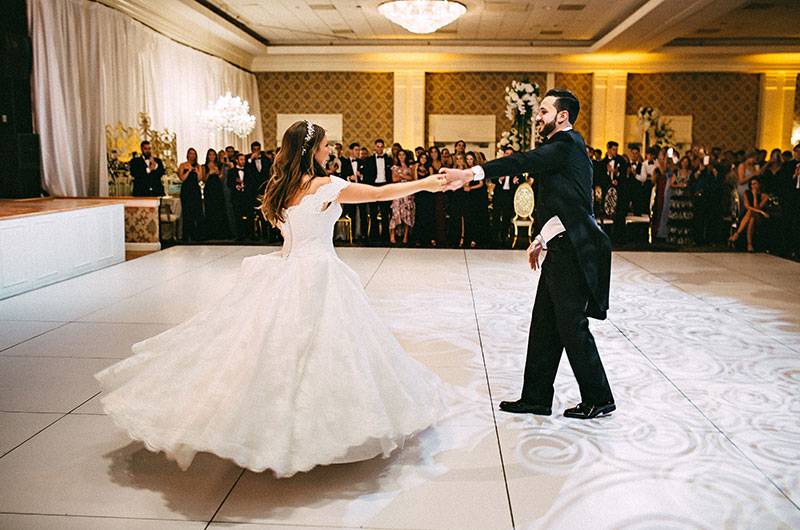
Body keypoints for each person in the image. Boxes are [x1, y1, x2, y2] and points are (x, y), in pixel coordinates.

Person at [94, 121, 450, 476]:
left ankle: (265, 425)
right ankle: (310, 430)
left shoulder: (283, 187)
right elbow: (377, 193)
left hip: (286, 268)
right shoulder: (327, 186)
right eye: (327, 145)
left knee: (273, 352)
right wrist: (424, 184)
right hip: (319, 272)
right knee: (321, 353)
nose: (330, 151)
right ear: (313, 150)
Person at [441, 88, 615, 420]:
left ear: (562, 116)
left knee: (572, 326)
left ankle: (599, 397)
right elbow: (563, 200)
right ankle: (536, 397)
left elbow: (520, 161)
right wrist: (542, 237)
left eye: (544, 111)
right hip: (562, 246)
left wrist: (471, 173)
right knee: (545, 326)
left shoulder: (565, 145)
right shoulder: (563, 150)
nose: (538, 116)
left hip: (575, 251)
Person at [362, 138, 393, 241]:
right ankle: (373, 237)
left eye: (381, 147)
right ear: (375, 147)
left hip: (385, 187)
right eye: (378, 146)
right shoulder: (369, 160)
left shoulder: (389, 160)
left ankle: (385, 237)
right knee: (373, 212)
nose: (379, 149)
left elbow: (391, 176)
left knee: (385, 212)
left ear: (383, 148)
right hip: (373, 187)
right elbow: (366, 176)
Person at [729, 178, 769, 252]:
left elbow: (757, 207)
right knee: (751, 217)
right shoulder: (746, 193)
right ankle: (749, 244)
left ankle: (737, 234)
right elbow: (747, 206)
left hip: (759, 217)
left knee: (751, 213)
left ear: (759, 184)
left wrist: (754, 196)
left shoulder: (764, 196)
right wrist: (760, 211)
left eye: (755, 184)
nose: (753, 186)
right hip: (748, 215)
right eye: (751, 184)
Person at [389, 149, 416, 245]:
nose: (401, 156)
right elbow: (394, 179)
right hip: (397, 192)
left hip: (408, 193)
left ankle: (405, 236)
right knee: (395, 214)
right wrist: (405, 177)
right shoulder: (395, 167)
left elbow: (412, 178)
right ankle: (392, 235)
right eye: (399, 155)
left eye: (403, 155)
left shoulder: (411, 167)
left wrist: (401, 175)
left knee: (407, 214)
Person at [178, 148, 204, 242]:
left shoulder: (198, 166)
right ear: (187, 154)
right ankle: (186, 235)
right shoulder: (182, 165)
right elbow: (182, 178)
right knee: (187, 212)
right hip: (186, 190)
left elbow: (200, 179)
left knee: (196, 211)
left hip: (195, 190)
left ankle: (196, 235)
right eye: (190, 153)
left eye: (194, 154)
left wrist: (197, 171)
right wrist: (188, 171)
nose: (192, 155)